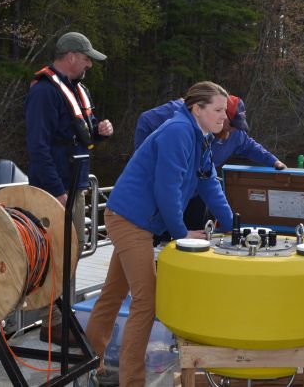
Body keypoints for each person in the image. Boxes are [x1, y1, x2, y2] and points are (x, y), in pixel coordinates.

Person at [86, 81, 234, 387]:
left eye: (225, 110)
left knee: (113, 293)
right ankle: (132, 381)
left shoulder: (201, 137)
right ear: (198, 108)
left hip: (142, 222)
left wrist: (232, 224)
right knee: (146, 300)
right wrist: (181, 235)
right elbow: (166, 191)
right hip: (129, 219)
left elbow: (208, 182)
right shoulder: (177, 132)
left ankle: (90, 358)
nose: (224, 116)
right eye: (218, 109)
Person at [25, 31, 114, 344]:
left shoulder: (77, 89)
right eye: (87, 57)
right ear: (72, 56)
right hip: (55, 191)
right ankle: (54, 324)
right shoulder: (44, 93)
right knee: (55, 257)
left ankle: (63, 317)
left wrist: (101, 132)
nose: (90, 63)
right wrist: (57, 192)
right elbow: (38, 149)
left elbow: (80, 134)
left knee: (70, 255)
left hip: (73, 187)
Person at [135, 94, 285, 231]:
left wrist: (274, 161)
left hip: (194, 192)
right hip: (163, 191)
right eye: (232, 125)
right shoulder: (181, 114)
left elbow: (251, 148)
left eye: (237, 127)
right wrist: (150, 166)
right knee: (159, 236)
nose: (233, 130)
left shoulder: (234, 135)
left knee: (194, 236)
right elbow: (146, 120)